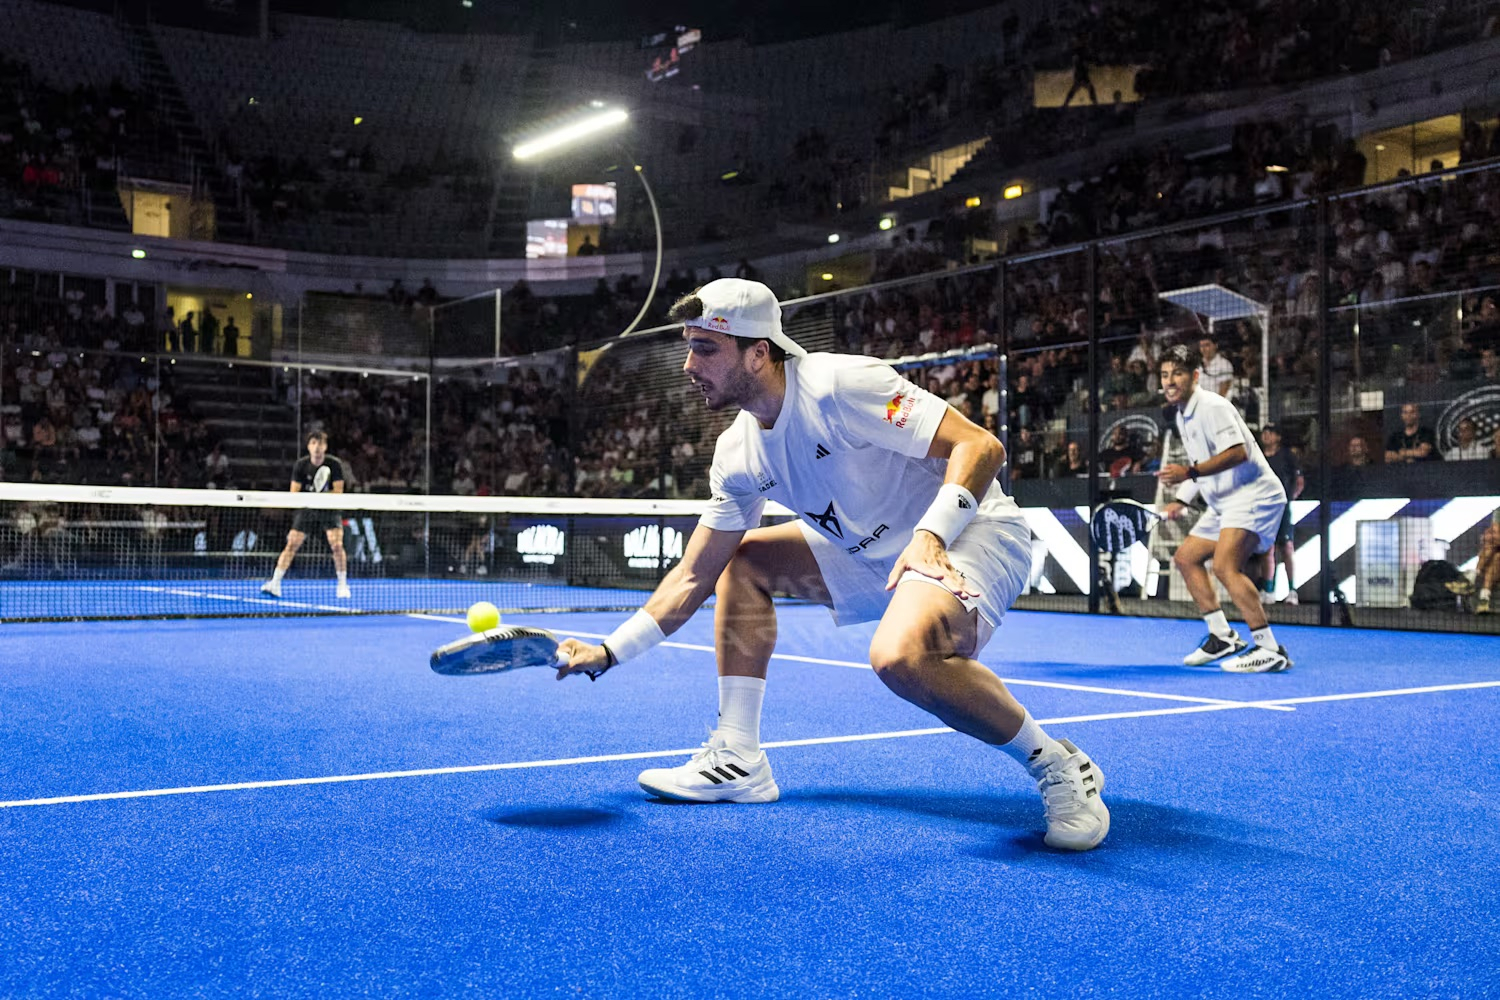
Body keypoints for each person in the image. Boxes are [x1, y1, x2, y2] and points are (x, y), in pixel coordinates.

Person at [553, 278, 1109, 852]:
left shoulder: (840, 385)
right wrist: (609, 652)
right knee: (741, 562)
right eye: (689, 347)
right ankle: (738, 757)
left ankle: (1058, 765)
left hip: (968, 532)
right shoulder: (737, 453)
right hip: (868, 555)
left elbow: (981, 448)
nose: (689, 365)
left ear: (758, 352)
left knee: (900, 657)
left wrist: (930, 535)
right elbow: (695, 574)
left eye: (705, 349)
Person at [1157, 344, 1292, 673]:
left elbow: (1236, 453)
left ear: (1195, 376)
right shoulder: (1182, 414)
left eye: (1177, 373)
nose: (1170, 381)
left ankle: (1268, 648)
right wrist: (1182, 499)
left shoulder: (1212, 406)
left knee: (1225, 566)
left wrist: (1188, 474)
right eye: (1164, 375)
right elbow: (1202, 464)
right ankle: (1222, 636)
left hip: (1253, 494)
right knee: (1186, 558)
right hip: (1224, 501)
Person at [262, 430, 350, 599]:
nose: (317, 447)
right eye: (313, 443)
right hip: (307, 508)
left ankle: (342, 585)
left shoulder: (334, 464)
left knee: (337, 546)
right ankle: (275, 583)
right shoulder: (301, 465)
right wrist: (311, 498)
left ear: (325, 446)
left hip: (329, 509)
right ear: (309, 446)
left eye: (320, 443)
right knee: (291, 544)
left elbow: (338, 491)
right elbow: (294, 493)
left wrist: (321, 496)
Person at [1257, 424, 1304, 605]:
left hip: (1282, 508)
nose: (1266, 436)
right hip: (1264, 510)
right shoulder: (1258, 456)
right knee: (1267, 549)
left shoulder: (1287, 456)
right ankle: (1269, 591)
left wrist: (1288, 499)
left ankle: (1292, 591)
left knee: (1286, 548)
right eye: (1264, 433)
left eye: (1270, 433)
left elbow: (1299, 481)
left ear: (1278, 437)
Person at [1475, 511, 1499, 615]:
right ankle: (1484, 598)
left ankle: (1472, 577)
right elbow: (1492, 534)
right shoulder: (1499, 511)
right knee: (1496, 556)